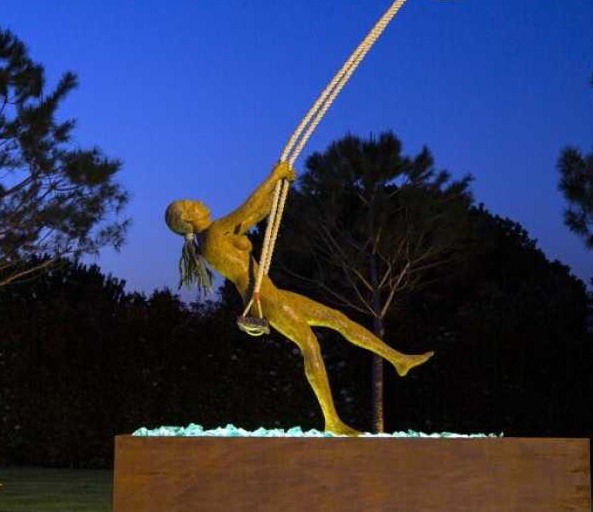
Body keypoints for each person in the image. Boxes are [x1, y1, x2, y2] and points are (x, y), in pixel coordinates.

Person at [165, 161, 433, 435]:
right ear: (187, 219)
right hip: (266, 300)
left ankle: (398, 359)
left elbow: (256, 214)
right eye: (191, 203)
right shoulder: (211, 235)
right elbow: (247, 208)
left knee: (338, 319)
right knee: (310, 346)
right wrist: (274, 175)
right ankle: (332, 420)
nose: (198, 201)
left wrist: (281, 189)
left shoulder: (215, 236)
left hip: (273, 295)